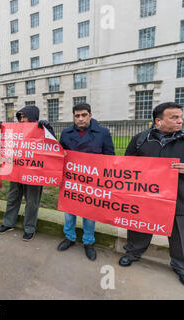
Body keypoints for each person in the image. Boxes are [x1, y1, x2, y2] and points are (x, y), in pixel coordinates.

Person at [119, 102, 184, 286]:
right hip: (145, 198)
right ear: (159, 121)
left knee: (180, 234)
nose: (180, 121)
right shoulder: (140, 139)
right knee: (139, 227)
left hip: (178, 198)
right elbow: (125, 165)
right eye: (174, 117)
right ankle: (132, 253)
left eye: (180, 117)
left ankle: (180, 266)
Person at [57, 103, 115, 261]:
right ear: (73, 117)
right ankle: (69, 237)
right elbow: (59, 155)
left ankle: (88, 242)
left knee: (89, 214)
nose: (80, 118)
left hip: (92, 182)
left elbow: (110, 157)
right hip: (71, 181)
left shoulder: (102, 133)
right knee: (69, 212)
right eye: (77, 116)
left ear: (90, 115)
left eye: (84, 115)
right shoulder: (66, 133)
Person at [0, 105, 55, 241]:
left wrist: (48, 128)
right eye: (20, 117)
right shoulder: (16, 131)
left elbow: (53, 144)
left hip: (34, 173)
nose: (21, 119)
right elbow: (3, 142)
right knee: (13, 197)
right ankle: (8, 223)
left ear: (32, 116)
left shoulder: (41, 129)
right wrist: (0, 128)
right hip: (16, 171)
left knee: (32, 202)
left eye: (24, 116)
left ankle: (29, 228)